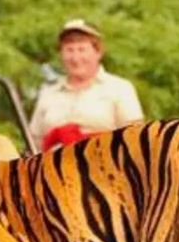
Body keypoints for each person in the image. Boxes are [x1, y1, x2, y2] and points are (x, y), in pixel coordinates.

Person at [29, 19, 144, 152]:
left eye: (82, 49)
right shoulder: (48, 93)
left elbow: (135, 142)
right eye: (69, 50)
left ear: (98, 53)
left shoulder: (120, 89)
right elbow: (34, 144)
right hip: (51, 168)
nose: (75, 57)